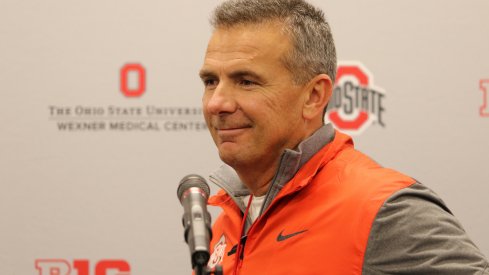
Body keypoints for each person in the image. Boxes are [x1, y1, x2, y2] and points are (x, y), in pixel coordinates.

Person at [198, 0, 489, 274]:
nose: (216, 103)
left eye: (246, 81)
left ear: (314, 96)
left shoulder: (383, 210)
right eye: (211, 81)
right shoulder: (231, 217)